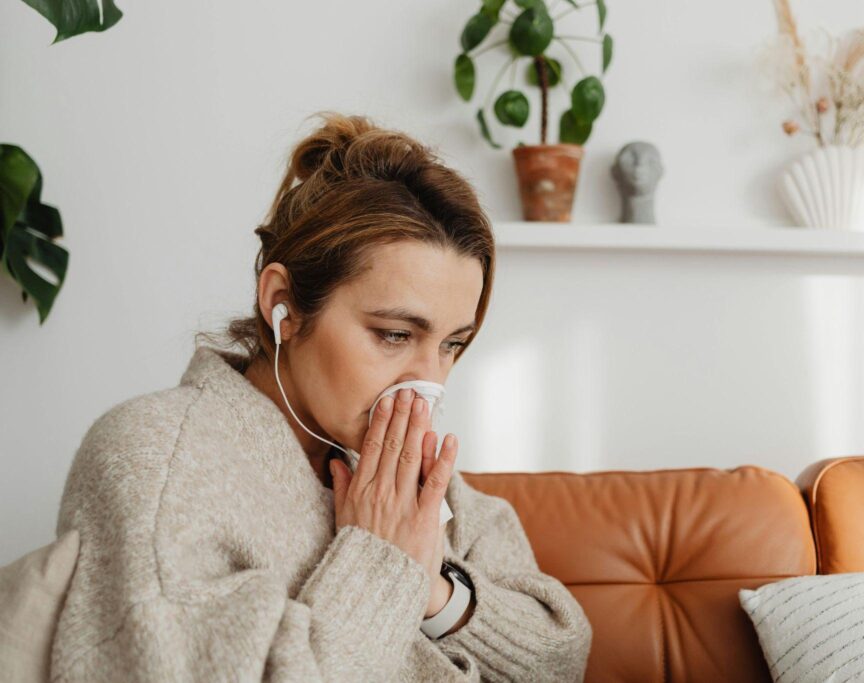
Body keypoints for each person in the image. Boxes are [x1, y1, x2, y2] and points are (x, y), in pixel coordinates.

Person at [51, 112, 593, 681]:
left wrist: (434, 589)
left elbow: (561, 653)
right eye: (395, 334)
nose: (427, 383)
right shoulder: (154, 461)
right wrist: (381, 562)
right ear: (281, 303)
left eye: (452, 344)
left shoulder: (400, 471)